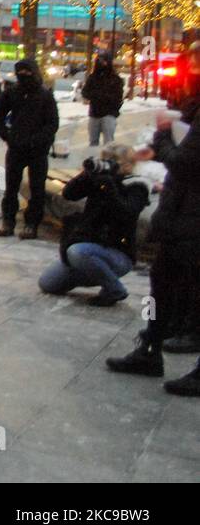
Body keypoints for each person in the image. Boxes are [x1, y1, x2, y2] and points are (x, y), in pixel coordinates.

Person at [106, 108, 200, 395]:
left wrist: (162, 135)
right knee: (162, 281)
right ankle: (150, 349)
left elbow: (186, 162)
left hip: (191, 217)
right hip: (180, 215)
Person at [39, 144, 149, 305]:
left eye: (112, 161)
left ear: (127, 164)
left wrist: (109, 185)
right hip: (88, 246)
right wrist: (87, 175)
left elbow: (126, 213)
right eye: (104, 160)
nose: (107, 164)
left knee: (76, 252)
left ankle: (114, 289)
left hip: (117, 253)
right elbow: (69, 194)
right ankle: (94, 273)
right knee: (48, 283)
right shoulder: (99, 179)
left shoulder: (137, 186)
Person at [0, 57, 60, 239]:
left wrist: (38, 140)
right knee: (10, 187)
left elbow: (52, 123)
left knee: (37, 188)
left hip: (38, 150)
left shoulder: (44, 95)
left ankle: (32, 223)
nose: (23, 76)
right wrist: (6, 134)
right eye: (20, 72)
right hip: (16, 146)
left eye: (27, 72)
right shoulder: (12, 92)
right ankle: (8, 221)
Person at [82, 51, 124, 146]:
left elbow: (118, 97)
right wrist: (96, 96)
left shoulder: (115, 79)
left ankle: (107, 160)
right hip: (95, 113)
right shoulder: (93, 77)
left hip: (109, 113)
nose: (102, 64)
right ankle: (93, 159)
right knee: (93, 141)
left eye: (104, 61)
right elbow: (85, 92)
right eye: (99, 61)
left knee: (108, 142)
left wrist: (103, 98)